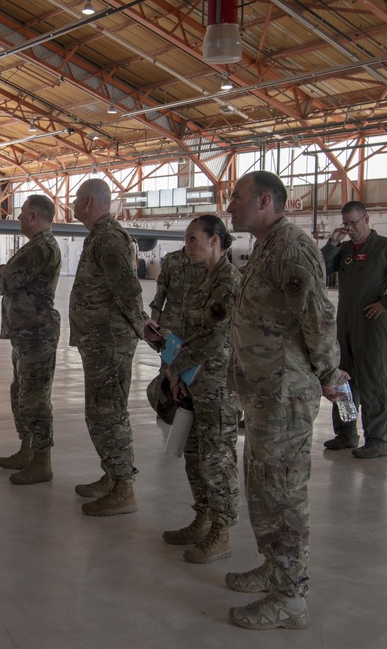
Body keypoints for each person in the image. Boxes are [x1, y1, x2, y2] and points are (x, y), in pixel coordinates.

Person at [225, 170, 345, 631]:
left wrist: (330, 373)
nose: (230, 205)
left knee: (283, 492)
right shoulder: (266, 246)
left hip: (284, 393)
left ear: (265, 201)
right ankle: (275, 569)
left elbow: (316, 316)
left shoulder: (292, 247)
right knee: (262, 485)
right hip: (261, 393)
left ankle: (291, 597)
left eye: (237, 197)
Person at [156, 216, 241, 565]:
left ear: (215, 240)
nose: (187, 246)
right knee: (194, 455)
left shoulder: (228, 282)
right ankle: (202, 518)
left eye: (193, 239)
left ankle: (222, 531)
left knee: (217, 459)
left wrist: (177, 368)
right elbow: (186, 330)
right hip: (192, 381)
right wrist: (173, 367)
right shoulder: (201, 279)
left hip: (218, 385)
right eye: (186, 239)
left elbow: (213, 337)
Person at [69, 178, 153, 516]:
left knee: (109, 412)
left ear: (88, 202)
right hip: (98, 341)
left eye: (76, 199)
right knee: (99, 412)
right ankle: (112, 474)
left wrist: (143, 328)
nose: (73, 204)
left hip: (110, 343)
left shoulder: (109, 237)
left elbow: (128, 291)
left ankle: (124, 487)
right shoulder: (99, 236)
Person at [321, 200, 387, 458]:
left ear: (366, 219)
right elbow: (317, 269)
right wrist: (333, 243)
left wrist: (385, 304)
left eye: (354, 223)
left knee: (374, 380)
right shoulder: (344, 250)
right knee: (343, 379)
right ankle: (346, 433)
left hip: (371, 323)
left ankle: (377, 440)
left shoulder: (386, 248)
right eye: (346, 224)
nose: (350, 228)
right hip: (344, 323)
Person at [0, 194, 62, 484]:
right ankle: (27, 449)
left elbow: (6, 280)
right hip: (25, 333)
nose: (18, 219)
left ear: (33, 216)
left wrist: (0, 272)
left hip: (36, 333)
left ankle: (42, 461)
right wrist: (4, 272)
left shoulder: (40, 248)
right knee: (21, 392)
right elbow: (7, 277)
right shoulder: (34, 246)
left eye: (21, 214)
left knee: (35, 398)